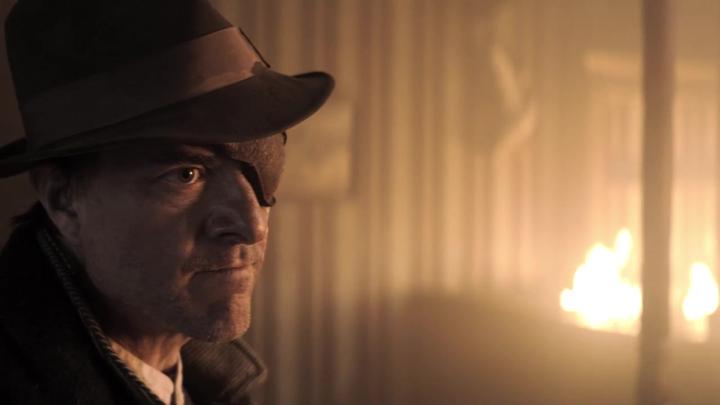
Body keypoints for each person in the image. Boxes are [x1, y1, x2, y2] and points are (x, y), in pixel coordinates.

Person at [0, 0, 334, 404]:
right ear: (64, 200)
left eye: (258, 166)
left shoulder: (202, 383)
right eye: (186, 175)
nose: (253, 226)